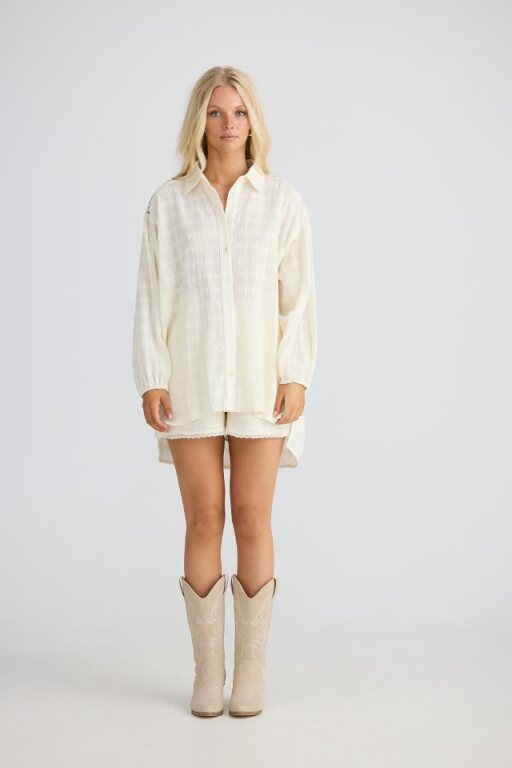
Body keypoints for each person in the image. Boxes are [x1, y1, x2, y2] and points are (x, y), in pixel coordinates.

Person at [132, 66, 317, 717]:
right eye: (215, 112)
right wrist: (152, 376)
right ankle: (208, 673)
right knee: (204, 518)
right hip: (191, 380)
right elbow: (152, 294)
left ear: (253, 121)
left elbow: (298, 298)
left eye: (239, 112)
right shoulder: (168, 203)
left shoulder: (282, 201)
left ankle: (251, 676)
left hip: (263, 385)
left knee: (252, 518)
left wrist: (295, 373)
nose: (228, 124)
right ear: (199, 122)